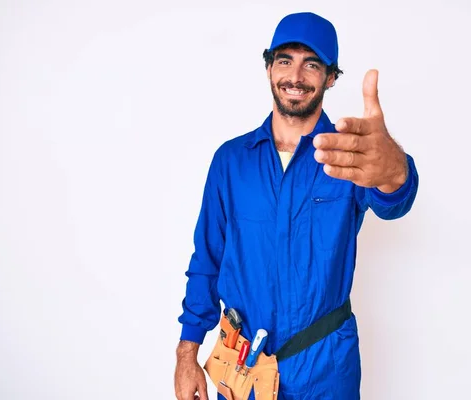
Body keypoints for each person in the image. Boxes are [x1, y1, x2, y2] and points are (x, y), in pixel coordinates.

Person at [174, 11, 419, 400]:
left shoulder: (348, 155)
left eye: (312, 64)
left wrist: (396, 170)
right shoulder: (231, 161)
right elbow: (207, 261)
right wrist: (186, 354)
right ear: (269, 67)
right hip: (243, 368)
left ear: (331, 77)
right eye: (285, 60)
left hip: (326, 368)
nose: (296, 76)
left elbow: (393, 202)